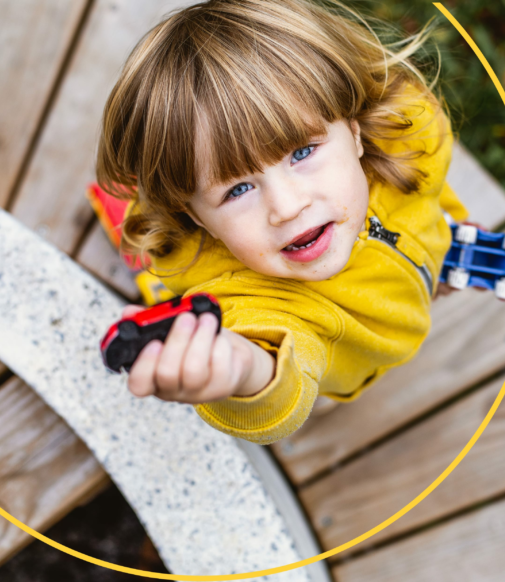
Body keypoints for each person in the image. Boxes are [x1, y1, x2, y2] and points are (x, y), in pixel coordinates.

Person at [95, 0, 470, 445]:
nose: (288, 206)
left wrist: (451, 229)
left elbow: (430, 192)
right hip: (336, 363)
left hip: (408, 291)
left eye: (302, 152)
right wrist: (241, 371)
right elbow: (271, 352)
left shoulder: (410, 133)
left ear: (353, 131)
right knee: (315, 389)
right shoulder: (253, 298)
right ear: (196, 216)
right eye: (237, 190)